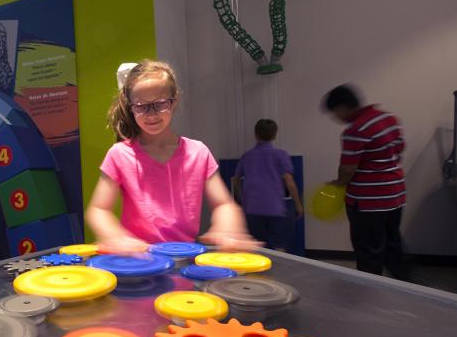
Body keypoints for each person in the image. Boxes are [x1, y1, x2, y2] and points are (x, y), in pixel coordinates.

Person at [86, 60, 257, 253]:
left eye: (160, 104)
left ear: (174, 101)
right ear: (131, 106)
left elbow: (224, 204)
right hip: (140, 261)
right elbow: (98, 210)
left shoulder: (198, 152)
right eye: (141, 106)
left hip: (183, 257)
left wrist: (227, 227)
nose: (151, 114)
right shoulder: (120, 154)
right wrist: (115, 236)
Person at [322, 84, 409, 280]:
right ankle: (408, 289)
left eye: (335, 112)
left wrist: (338, 184)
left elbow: (347, 169)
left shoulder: (355, 129)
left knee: (369, 253)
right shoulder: (388, 118)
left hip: (368, 202)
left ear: (343, 106)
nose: (336, 118)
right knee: (392, 246)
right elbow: (399, 150)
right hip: (394, 196)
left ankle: (368, 298)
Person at [232, 119, 303, 251]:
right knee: (279, 245)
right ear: (275, 135)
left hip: (252, 208)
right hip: (275, 208)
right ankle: (278, 271)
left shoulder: (247, 156)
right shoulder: (281, 155)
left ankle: (258, 271)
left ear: (256, 134)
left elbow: (236, 179)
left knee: (257, 246)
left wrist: (242, 199)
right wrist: (298, 204)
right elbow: (289, 181)